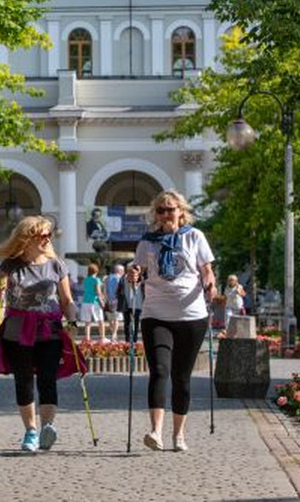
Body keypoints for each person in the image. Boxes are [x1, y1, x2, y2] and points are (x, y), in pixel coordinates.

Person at [127, 190, 217, 452]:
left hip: (191, 315)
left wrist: (210, 284)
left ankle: (178, 435)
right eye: (160, 210)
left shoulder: (194, 236)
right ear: (155, 214)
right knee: (159, 371)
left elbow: (207, 270)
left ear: (181, 211)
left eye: (170, 209)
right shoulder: (147, 242)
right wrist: (132, 275)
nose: (166, 214)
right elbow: (138, 270)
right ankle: (156, 432)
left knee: (181, 376)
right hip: (156, 315)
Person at [0, 216, 82, 452]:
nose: (47, 239)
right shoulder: (10, 265)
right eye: (42, 235)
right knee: (23, 380)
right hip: (17, 329)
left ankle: (46, 428)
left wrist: (73, 318)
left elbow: (67, 299)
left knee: (47, 379)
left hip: (48, 330)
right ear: (28, 237)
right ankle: (30, 430)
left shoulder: (56, 265)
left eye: (49, 235)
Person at [79, 264, 107, 343]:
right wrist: (101, 299)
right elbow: (98, 291)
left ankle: (87, 338)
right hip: (94, 302)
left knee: (87, 322)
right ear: (96, 271)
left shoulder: (86, 279)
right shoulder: (96, 279)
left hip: (85, 302)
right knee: (100, 320)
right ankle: (102, 338)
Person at [104, 264, 123, 340]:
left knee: (110, 319)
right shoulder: (120, 279)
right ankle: (114, 334)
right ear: (119, 271)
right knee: (116, 319)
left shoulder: (107, 278)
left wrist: (106, 299)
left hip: (108, 301)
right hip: (117, 301)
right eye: (122, 270)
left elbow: (104, 290)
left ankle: (113, 333)